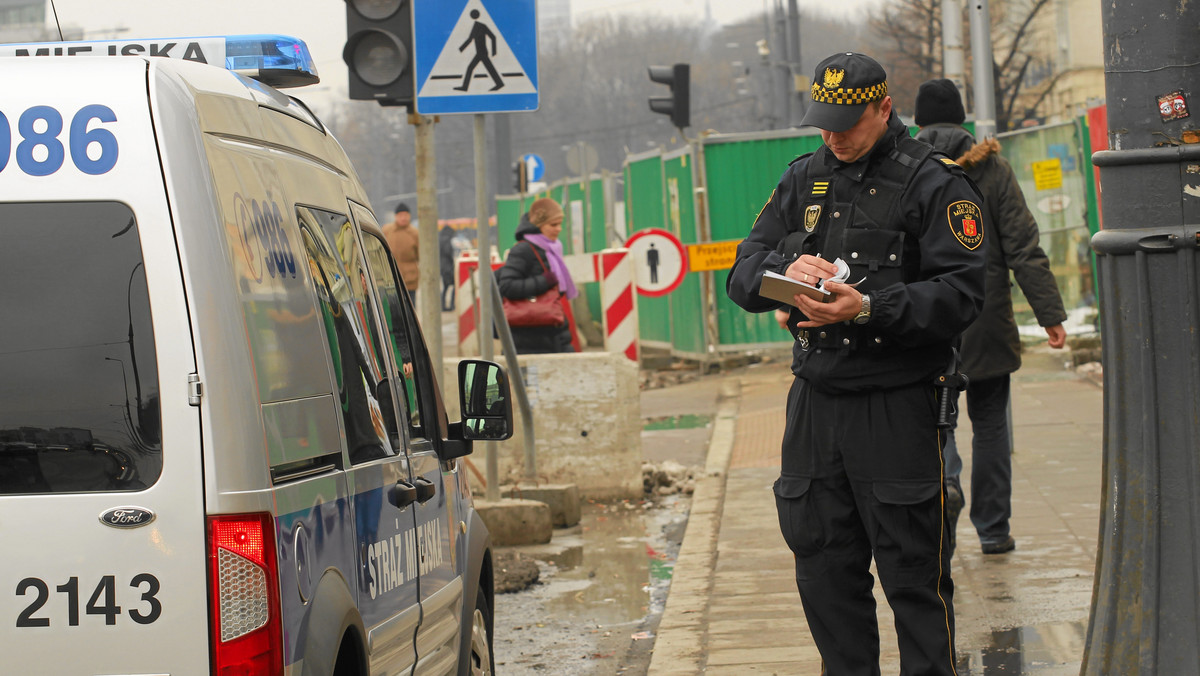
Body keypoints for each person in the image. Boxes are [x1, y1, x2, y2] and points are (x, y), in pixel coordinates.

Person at [726, 52, 987, 676]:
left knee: (914, 582)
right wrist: (783, 275)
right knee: (825, 579)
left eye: (847, 122)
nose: (833, 136)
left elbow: (963, 293)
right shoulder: (802, 177)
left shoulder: (934, 181)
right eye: (823, 122)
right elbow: (742, 273)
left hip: (898, 406)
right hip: (815, 408)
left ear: (884, 108)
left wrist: (867, 307)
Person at [914, 78, 1068, 556]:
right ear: (961, 119)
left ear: (916, 121)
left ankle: (948, 484)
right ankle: (994, 530)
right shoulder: (993, 169)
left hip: (926, 317)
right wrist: (1050, 314)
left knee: (936, 422)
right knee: (992, 424)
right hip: (986, 317)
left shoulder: (907, 169)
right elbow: (1023, 245)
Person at [496, 198, 578, 353]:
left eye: (560, 224)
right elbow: (507, 286)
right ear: (539, 225)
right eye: (553, 225)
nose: (559, 229)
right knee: (532, 376)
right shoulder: (523, 250)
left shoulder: (551, 249)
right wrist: (544, 281)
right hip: (529, 336)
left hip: (551, 330)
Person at [383, 202, 418, 304]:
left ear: (410, 216)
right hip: (391, 279)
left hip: (410, 280)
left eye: (406, 215)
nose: (403, 218)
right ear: (395, 216)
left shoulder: (414, 233)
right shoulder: (387, 231)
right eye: (400, 215)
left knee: (410, 309)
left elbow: (421, 256)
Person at [439, 223, 457, 311]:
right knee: (454, 285)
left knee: (445, 287)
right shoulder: (446, 240)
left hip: (442, 267)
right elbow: (448, 252)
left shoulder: (439, 238)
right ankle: (451, 304)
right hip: (448, 267)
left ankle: (443, 305)